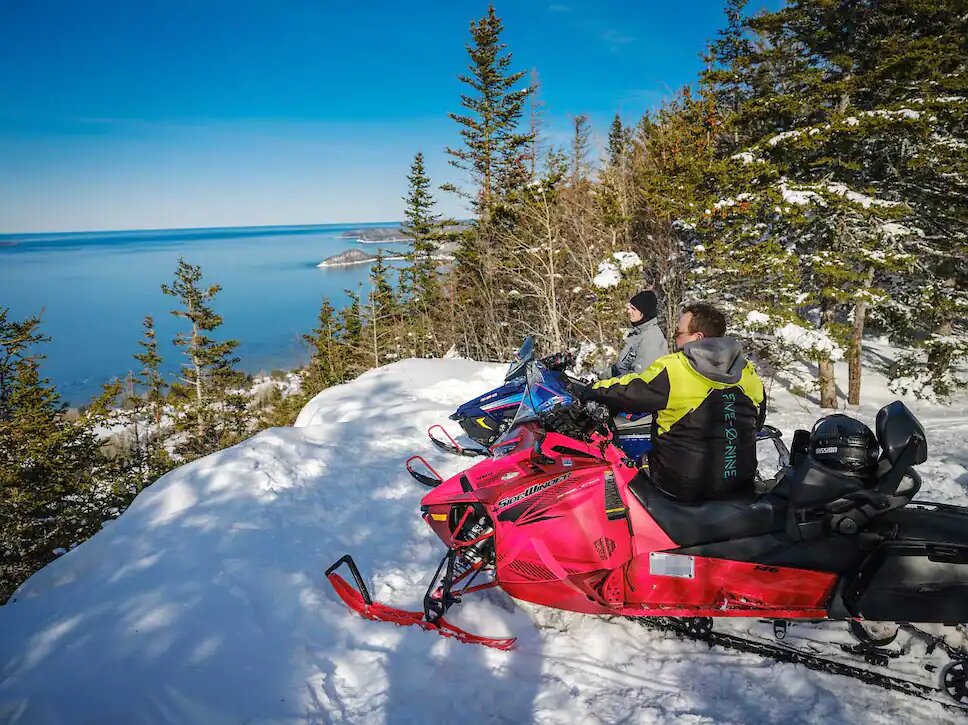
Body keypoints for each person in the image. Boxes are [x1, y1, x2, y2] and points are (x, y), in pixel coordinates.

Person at [581, 302, 766, 502]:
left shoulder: (675, 369)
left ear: (697, 338)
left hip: (681, 488)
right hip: (739, 485)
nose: (675, 339)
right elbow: (758, 422)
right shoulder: (748, 373)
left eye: (678, 334)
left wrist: (591, 390)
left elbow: (629, 390)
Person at [599, 290, 668, 380]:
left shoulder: (651, 338)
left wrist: (608, 386)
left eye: (633, 309)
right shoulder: (637, 333)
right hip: (623, 386)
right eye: (629, 307)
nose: (629, 311)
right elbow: (621, 367)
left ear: (643, 313)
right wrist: (602, 378)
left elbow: (639, 377)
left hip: (633, 390)